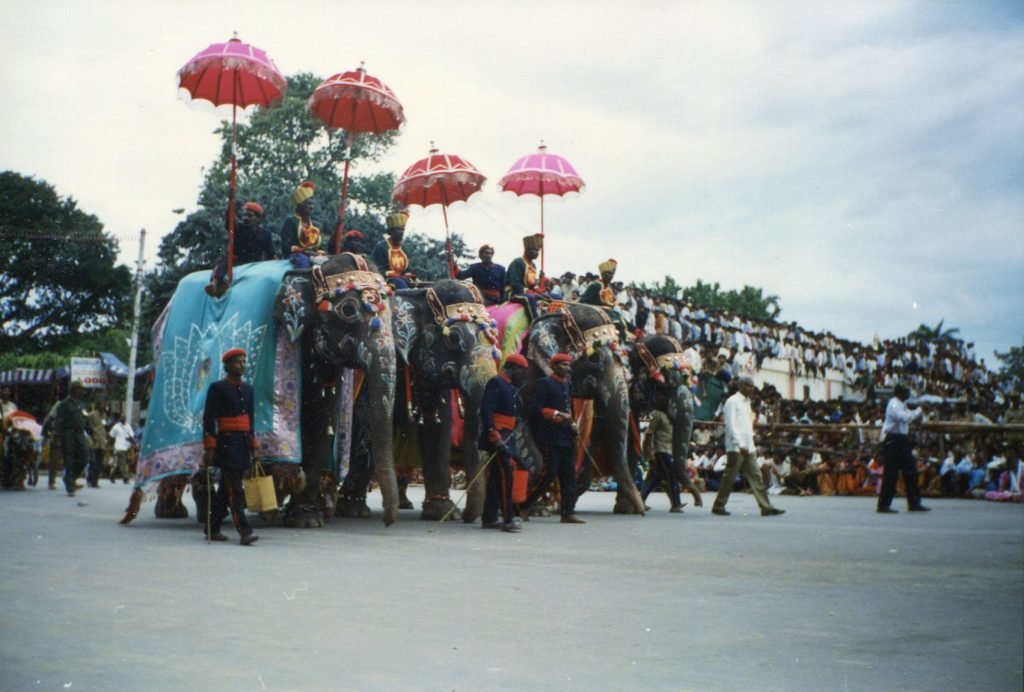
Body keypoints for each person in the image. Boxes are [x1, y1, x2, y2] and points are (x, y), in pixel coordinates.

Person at [202, 348, 260, 545]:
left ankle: (212, 528)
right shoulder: (217, 388)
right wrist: (210, 446)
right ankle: (245, 531)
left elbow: (251, 420)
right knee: (235, 489)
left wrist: (254, 445)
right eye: (237, 362)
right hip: (226, 443)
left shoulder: (248, 390)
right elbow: (209, 418)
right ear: (227, 365)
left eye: (244, 361)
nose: (241, 365)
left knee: (225, 490)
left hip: (243, 444)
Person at [523, 353, 584, 523]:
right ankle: (524, 505)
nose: (567, 368)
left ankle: (567, 512)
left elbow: (568, 408)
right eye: (563, 364)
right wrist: (557, 414)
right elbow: (536, 409)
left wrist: (572, 423)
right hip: (550, 436)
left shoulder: (567, 384)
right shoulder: (545, 383)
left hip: (566, 435)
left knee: (569, 474)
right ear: (554, 366)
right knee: (549, 473)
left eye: (569, 365)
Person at [711, 376, 785, 516]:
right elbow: (731, 425)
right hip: (736, 447)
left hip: (749, 446)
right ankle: (718, 505)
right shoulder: (732, 401)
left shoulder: (747, 402)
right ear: (740, 386)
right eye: (747, 386)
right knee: (729, 477)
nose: (750, 389)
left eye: (751, 386)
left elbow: (746, 424)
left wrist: (752, 436)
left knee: (756, 476)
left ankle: (766, 506)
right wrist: (740, 444)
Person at [479, 354, 530, 532]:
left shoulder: (510, 386)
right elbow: (486, 411)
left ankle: (489, 517)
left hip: (508, 435)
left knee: (496, 478)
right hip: (499, 436)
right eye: (522, 371)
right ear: (513, 368)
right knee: (506, 475)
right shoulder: (496, 382)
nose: (523, 376)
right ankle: (508, 519)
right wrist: (494, 436)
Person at [877, 384, 930, 513]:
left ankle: (914, 503)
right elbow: (905, 418)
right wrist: (919, 409)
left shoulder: (903, 404)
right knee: (891, 473)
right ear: (900, 393)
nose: (908, 394)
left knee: (911, 471)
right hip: (893, 439)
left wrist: (918, 412)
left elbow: (909, 415)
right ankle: (883, 505)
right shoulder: (894, 404)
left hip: (902, 439)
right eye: (906, 391)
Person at [205, 201, 276, 297]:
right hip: (237, 260)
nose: (245, 218)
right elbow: (229, 221)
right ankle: (215, 283)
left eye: (250, 215)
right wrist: (231, 201)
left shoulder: (265, 234)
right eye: (244, 215)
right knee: (225, 259)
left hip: (255, 263)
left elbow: (271, 253)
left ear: (258, 219)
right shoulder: (238, 228)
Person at [640, 393, 684, 512]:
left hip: (668, 449)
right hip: (661, 449)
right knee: (671, 476)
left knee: (656, 476)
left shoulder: (668, 416)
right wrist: (649, 452)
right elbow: (649, 434)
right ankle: (676, 504)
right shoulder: (657, 414)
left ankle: (641, 500)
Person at [52, 382, 90, 497]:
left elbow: (85, 419)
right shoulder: (64, 404)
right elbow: (59, 421)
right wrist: (57, 438)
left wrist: (90, 432)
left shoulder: (81, 404)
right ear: (73, 390)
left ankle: (70, 478)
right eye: (80, 389)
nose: (82, 391)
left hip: (80, 434)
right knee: (69, 459)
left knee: (84, 457)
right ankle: (70, 486)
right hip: (68, 434)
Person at [281, 181, 325, 269]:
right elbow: (286, 247)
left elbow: (319, 247)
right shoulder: (290, 221)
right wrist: (306, 252)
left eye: (312, 204)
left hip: (313, 255)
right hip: (296, 256)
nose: (311, 207)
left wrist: (320, 254)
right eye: (308, 203)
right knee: (303, 260)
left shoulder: (315, 225)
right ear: (299, 205)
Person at [504, 233, 546, 320]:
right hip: (513, 292)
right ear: (527, 250)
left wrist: (541, 292)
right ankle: (535, 321)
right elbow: (515, 284)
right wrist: (532, 293)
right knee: (530, 298)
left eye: (538, 251)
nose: (537, 253)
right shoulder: (518, 262)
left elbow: (532, 284)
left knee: (554, 296)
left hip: (526, 292)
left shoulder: (533, 265)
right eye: (535, 250)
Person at [372, 210, 416, 288]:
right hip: (386, 280)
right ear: (390, 231)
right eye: (398, 229)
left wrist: (408, 274)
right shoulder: (381, 246)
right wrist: (389, 273)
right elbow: (377, 268)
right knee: (400, 283)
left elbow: (408, 268)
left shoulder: (404, 248)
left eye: (403, 229)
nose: (401, 232)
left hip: (403, 279)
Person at [108, 413, 135, 484]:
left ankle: (112, 475)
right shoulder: (116, 426)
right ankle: (125, 478)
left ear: (125, 418)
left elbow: (131, 436)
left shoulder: (128, 426)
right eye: (121, 417)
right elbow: (111, 436)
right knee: (123, 463)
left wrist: (131, 440)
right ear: (120, 418)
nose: (123, 418)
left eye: (124, 417)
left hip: (126, 447)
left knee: (117, 463)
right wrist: (108, 445)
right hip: (118, 447)